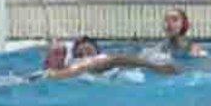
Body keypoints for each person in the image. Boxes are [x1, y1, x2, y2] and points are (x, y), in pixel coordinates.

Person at [41, 37, 180, 80]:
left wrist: (156, 67)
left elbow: (115, 60)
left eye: (89, 52)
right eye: (57, 53)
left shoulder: (94, 63)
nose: (85, 57)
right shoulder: (51, 73)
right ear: (46, 61)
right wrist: (156, 67)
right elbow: (115, 60)